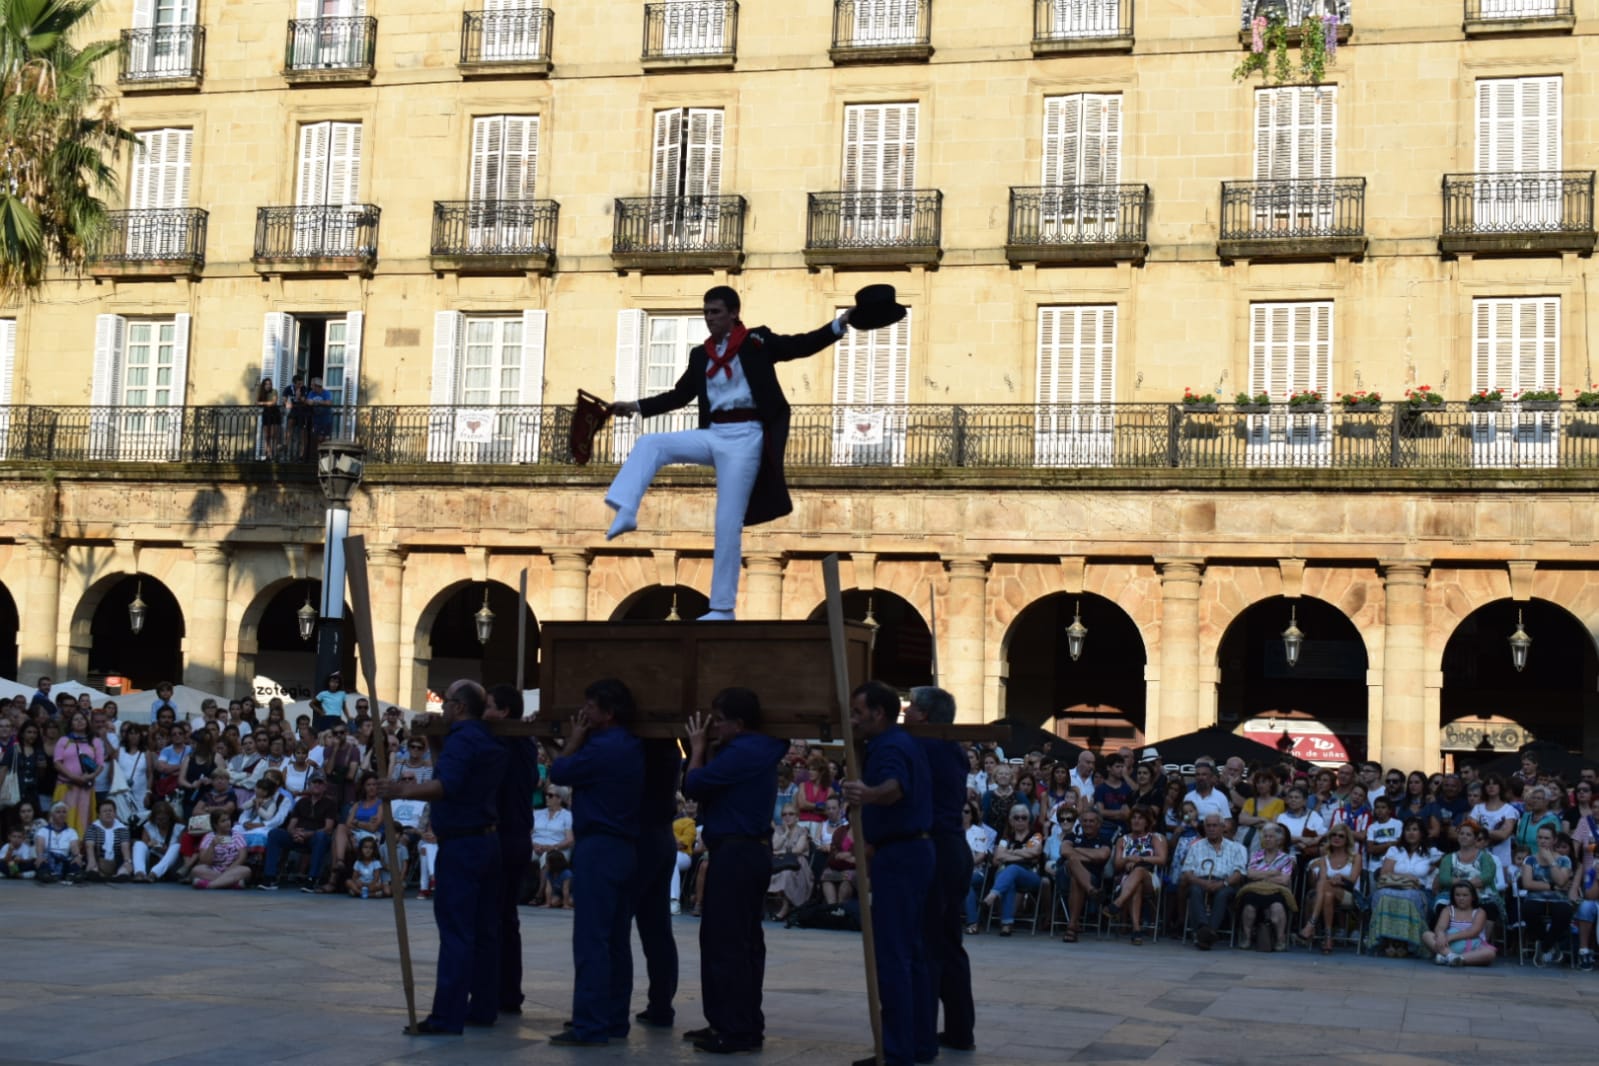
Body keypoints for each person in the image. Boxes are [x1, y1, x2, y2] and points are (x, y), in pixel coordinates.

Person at [603, 286, 854, 620]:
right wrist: (634, 406)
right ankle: (626, 508)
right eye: (706, 312)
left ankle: (722, 608)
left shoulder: (756, 342)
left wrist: (838, 325)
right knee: (652, 443)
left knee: (726, 521)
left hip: (746, 437)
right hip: (714, 433)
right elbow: (678, 396)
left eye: (716, 312)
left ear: (734, 313)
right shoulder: (701, 355)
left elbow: (799, 345)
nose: (709, 318)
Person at [378, 680, 508, 1036]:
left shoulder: (463, 740)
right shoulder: (485, 738)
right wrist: (435, 739)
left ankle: (447, 1015)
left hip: (463, 845)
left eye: (447, 702)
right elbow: (449, 773)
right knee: (484, 931)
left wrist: (399, 789)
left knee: (456, 932)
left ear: (460, 707)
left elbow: (444, 786)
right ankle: (483, 1007)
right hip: (487, 841)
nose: (442, 707)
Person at [681, 686, 787, 1055]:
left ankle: (735, 1028)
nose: (714, 726)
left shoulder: (744, 751)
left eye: (720, 721)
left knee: (727, 943)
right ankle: (732, 1020)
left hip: (737, 853)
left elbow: (694, 785)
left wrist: (696, 749)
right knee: (738, 940)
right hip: (746, 852)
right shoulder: (762, 747)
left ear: (739, 724)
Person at [545, 679, 644, 1047]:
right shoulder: (631, 744)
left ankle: (590, 1023)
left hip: (599, 847)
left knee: (591, 939)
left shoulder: (602, 747)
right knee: (616, 939)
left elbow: (559, 773)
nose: (583, 712)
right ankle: (614, 1018)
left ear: (608, 712)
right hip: (625, 848)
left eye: (590, 706)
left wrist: (572, 739)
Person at [841, 680, 935, 1066]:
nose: (853, 720)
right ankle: (918, 1044)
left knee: (894, 955)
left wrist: (866, 794)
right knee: (910, 953)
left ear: (879, 713)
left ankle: (897, 1052)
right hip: (908, 851)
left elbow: (894, 788)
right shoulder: (898, 742)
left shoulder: (889, 745)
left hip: (901, 856)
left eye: (858, 713)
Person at [904, 685, 975, 1055]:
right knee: (948, 942)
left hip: (937, 846)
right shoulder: (952, 748)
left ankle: (921, 1037)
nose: (905, 713)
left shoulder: (925, 746)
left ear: (925, 715)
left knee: (928, 944)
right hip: (954, 846)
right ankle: (960, 1030)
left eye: (911, 708)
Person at [484, 684, 539, 1017]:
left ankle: (494, 993)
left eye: (488, 706)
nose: (484, 712)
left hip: (505, 837)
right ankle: (507, 993)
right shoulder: (525, 743)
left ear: (503, 711)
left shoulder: (505, 743)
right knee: (506, 917)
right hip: (517, 836)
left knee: (494, 917)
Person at [633, 736, 684, 1030]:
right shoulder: (669, 748)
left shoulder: (642, 746)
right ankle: (661, 1003)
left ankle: (607, 1008)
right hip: (662, 835)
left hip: (643, 835)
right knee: (657, 928)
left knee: (614, 926)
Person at [1367, 817, 1438, 958]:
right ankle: (1388, 942)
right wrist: (1408, 877)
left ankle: (1403, 943)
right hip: (1392, 887)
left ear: (1421, 833)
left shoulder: (1432, 852)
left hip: (1419, 890)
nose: (1411, 833)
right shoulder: (1394, 850)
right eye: (1408, 830)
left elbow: (1440, 872)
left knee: (1410, 897)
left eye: (1415, 829)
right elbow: (1384, 873)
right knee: (1382, 895)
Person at [1180, 811, 1247, 949]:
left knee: (1223, 894)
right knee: (1194, 890)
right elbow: (1187, 872)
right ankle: (1206, 932)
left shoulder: (1236, 848)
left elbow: (1239, 874)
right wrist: (1202, 882)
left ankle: (1204, 934)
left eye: (1215, 825)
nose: (1211, 829)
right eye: (1208, 826)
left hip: (1226, 883)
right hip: (1200, 881)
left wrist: (1222, 883)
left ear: (1222, 827)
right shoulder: (1196, 846)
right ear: (1204, 828)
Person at [260, 774, 336, 890]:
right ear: (309, 785)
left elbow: (328, 828)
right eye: (314, 782)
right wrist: (294, 833)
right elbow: (291, 825)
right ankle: (270, 877)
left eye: (320, 783)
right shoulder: (301, 802)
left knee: (321, 836)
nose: (317, 785)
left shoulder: (330, 804)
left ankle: (312, 880)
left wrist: (308, 834)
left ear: (325, 787)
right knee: (275, 834)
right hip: (297, 835)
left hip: (315, 837)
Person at [1056, 807, 1119, 943]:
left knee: (1076, 877)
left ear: (1099, 824)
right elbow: (1065, 851)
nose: (1087, 824)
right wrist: (1091, 856)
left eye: (1091, 821)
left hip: (1092, 878)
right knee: (1072, 861)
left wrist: (1077, 850)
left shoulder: (1105, 839)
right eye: (1084, 821)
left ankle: (1072, 927)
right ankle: (1092, 891)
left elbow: (1102, 855)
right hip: (1065, 877)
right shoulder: (1072, 836)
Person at [1107, 805, 1168, 945]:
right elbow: (1117, 864)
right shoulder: (1122, 840)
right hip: (1126, 879)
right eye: (1133, 818)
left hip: (1150, 878)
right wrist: (1128, 860)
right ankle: (1136, 929)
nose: (1136, 821)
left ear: (1147, 822)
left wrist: (1140, 859)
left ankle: (1118, 903)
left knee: (1139, 870)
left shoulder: (1156, 838)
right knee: (1137, 885)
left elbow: (1162, 859)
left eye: (1140, 818)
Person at [1235, 822, 1295, 951]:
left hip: (1276, 891)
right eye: (1265, 836)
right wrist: (1272, 873)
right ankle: (1247, 938)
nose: (1267, 839)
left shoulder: (1286, 858)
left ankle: (1280, 939)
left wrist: (1261, 875)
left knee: (1277, 907)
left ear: (1278, 840)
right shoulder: (1256, 855)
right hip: (1255, 889)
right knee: (1249, 906)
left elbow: (1284, 880)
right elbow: (1250, 874)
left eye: (1271, 837)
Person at [1520, 823, 1574, 966]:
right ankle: (1551, 945)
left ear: (1554, 840)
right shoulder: (1529, 860)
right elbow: (1527, 883)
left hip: (1559, 900)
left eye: (1546, 838)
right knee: (1528, 910)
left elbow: (1561, 881)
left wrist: (1550, 860)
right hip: (1535, 898)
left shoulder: (1564, 860)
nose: (1542, 841)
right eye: (1540, 837)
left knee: (1565, 911)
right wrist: (1552, 886)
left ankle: (1543, 946)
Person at [1422, 881, 1497, 966]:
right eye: (1457, 895)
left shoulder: (1479, 912)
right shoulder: (1448, 910)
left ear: (1473, 897)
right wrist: (1441, 935)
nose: (1461, 898)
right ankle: (1451, 956)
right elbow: (1440, 927)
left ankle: (1455, 958)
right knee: (1426, 935)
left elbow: (1473, 931)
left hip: (1471, 948)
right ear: (1453, 896)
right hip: (1448, 946)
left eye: (1465, 895)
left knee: (1490, 953)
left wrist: (1450, 937)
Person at [767, 806, 812, 921]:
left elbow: (798, 850)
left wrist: (780, 851)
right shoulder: (778, 829)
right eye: (784, 814)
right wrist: (786, 833)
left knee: (786, 874)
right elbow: (774, 846)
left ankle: (784, 908)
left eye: (791, 814)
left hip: (797, 864)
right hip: (780, 863)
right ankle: (783, 905)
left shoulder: (802, 831)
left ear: (797, 817)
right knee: (774, 873)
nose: (787, 817)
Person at [191, 809, 251, 890]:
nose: (228, 823)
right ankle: (230, 883)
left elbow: (242, 857)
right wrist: (212, 846)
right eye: (223, 821)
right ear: (216, 825)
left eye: (228, 819)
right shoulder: (209, 837)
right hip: (213, 870)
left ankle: (210, 885)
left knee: (246, 870)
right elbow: (205, 861)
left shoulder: (237, 835)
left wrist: (229, 870)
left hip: (232, 869)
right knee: (196, 870)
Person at [82, 799, 133, 882]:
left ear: (115, 813)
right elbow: (89, 846)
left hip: (117, 861)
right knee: (92, 868)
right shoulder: (92, 828)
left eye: (110, 811)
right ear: (99, 815)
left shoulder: (122, 828)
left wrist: (127, 862)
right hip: (98, 860)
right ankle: (95, 873)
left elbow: (125, 847)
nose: (108, 813)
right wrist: (91, 861)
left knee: (125, 869)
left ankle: (119, 875)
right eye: (105, 811)